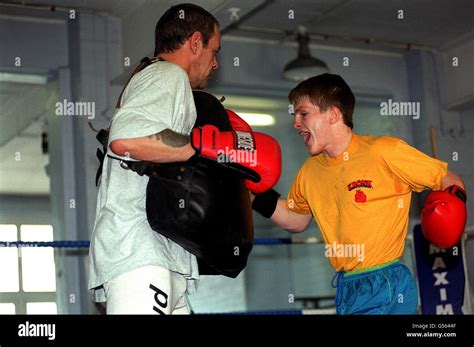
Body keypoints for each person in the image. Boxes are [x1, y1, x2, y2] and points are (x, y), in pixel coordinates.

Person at [252, 73, 466, 314]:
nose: (295, 124)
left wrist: (450, 206)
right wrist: (253, 193)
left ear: (333, 114)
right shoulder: (310, 171)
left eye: (303, 113)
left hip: (385, 281)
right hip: (348, 284)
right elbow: (296, 219)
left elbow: (447, 178)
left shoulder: (384, 151)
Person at [88, 3, 221, 314]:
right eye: (215, 51)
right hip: (140, 255)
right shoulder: (167, 74)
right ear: (195, 42)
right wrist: (205, 145)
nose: (215, 63)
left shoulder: (162, 80)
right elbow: (125, 141)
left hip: (162, 258)